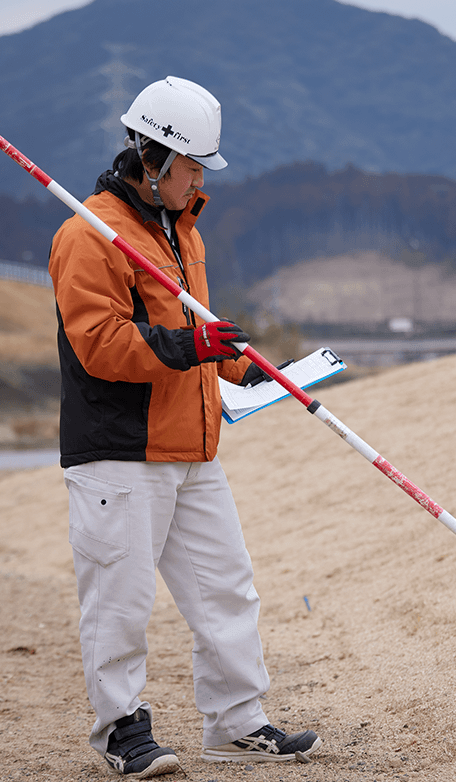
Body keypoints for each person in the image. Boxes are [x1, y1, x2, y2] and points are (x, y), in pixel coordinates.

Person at [47, 76, 322, 777]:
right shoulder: (88, 234)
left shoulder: (182, 231)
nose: (202, 178)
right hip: (119, 453)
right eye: (195, 165)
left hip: (195, 447)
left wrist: (247, 371)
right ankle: (120, 731)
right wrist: (189, 349)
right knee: (121, 601)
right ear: (151, 159)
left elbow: (198, 337)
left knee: (228, 588)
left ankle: (237, 722)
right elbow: (100, 344)